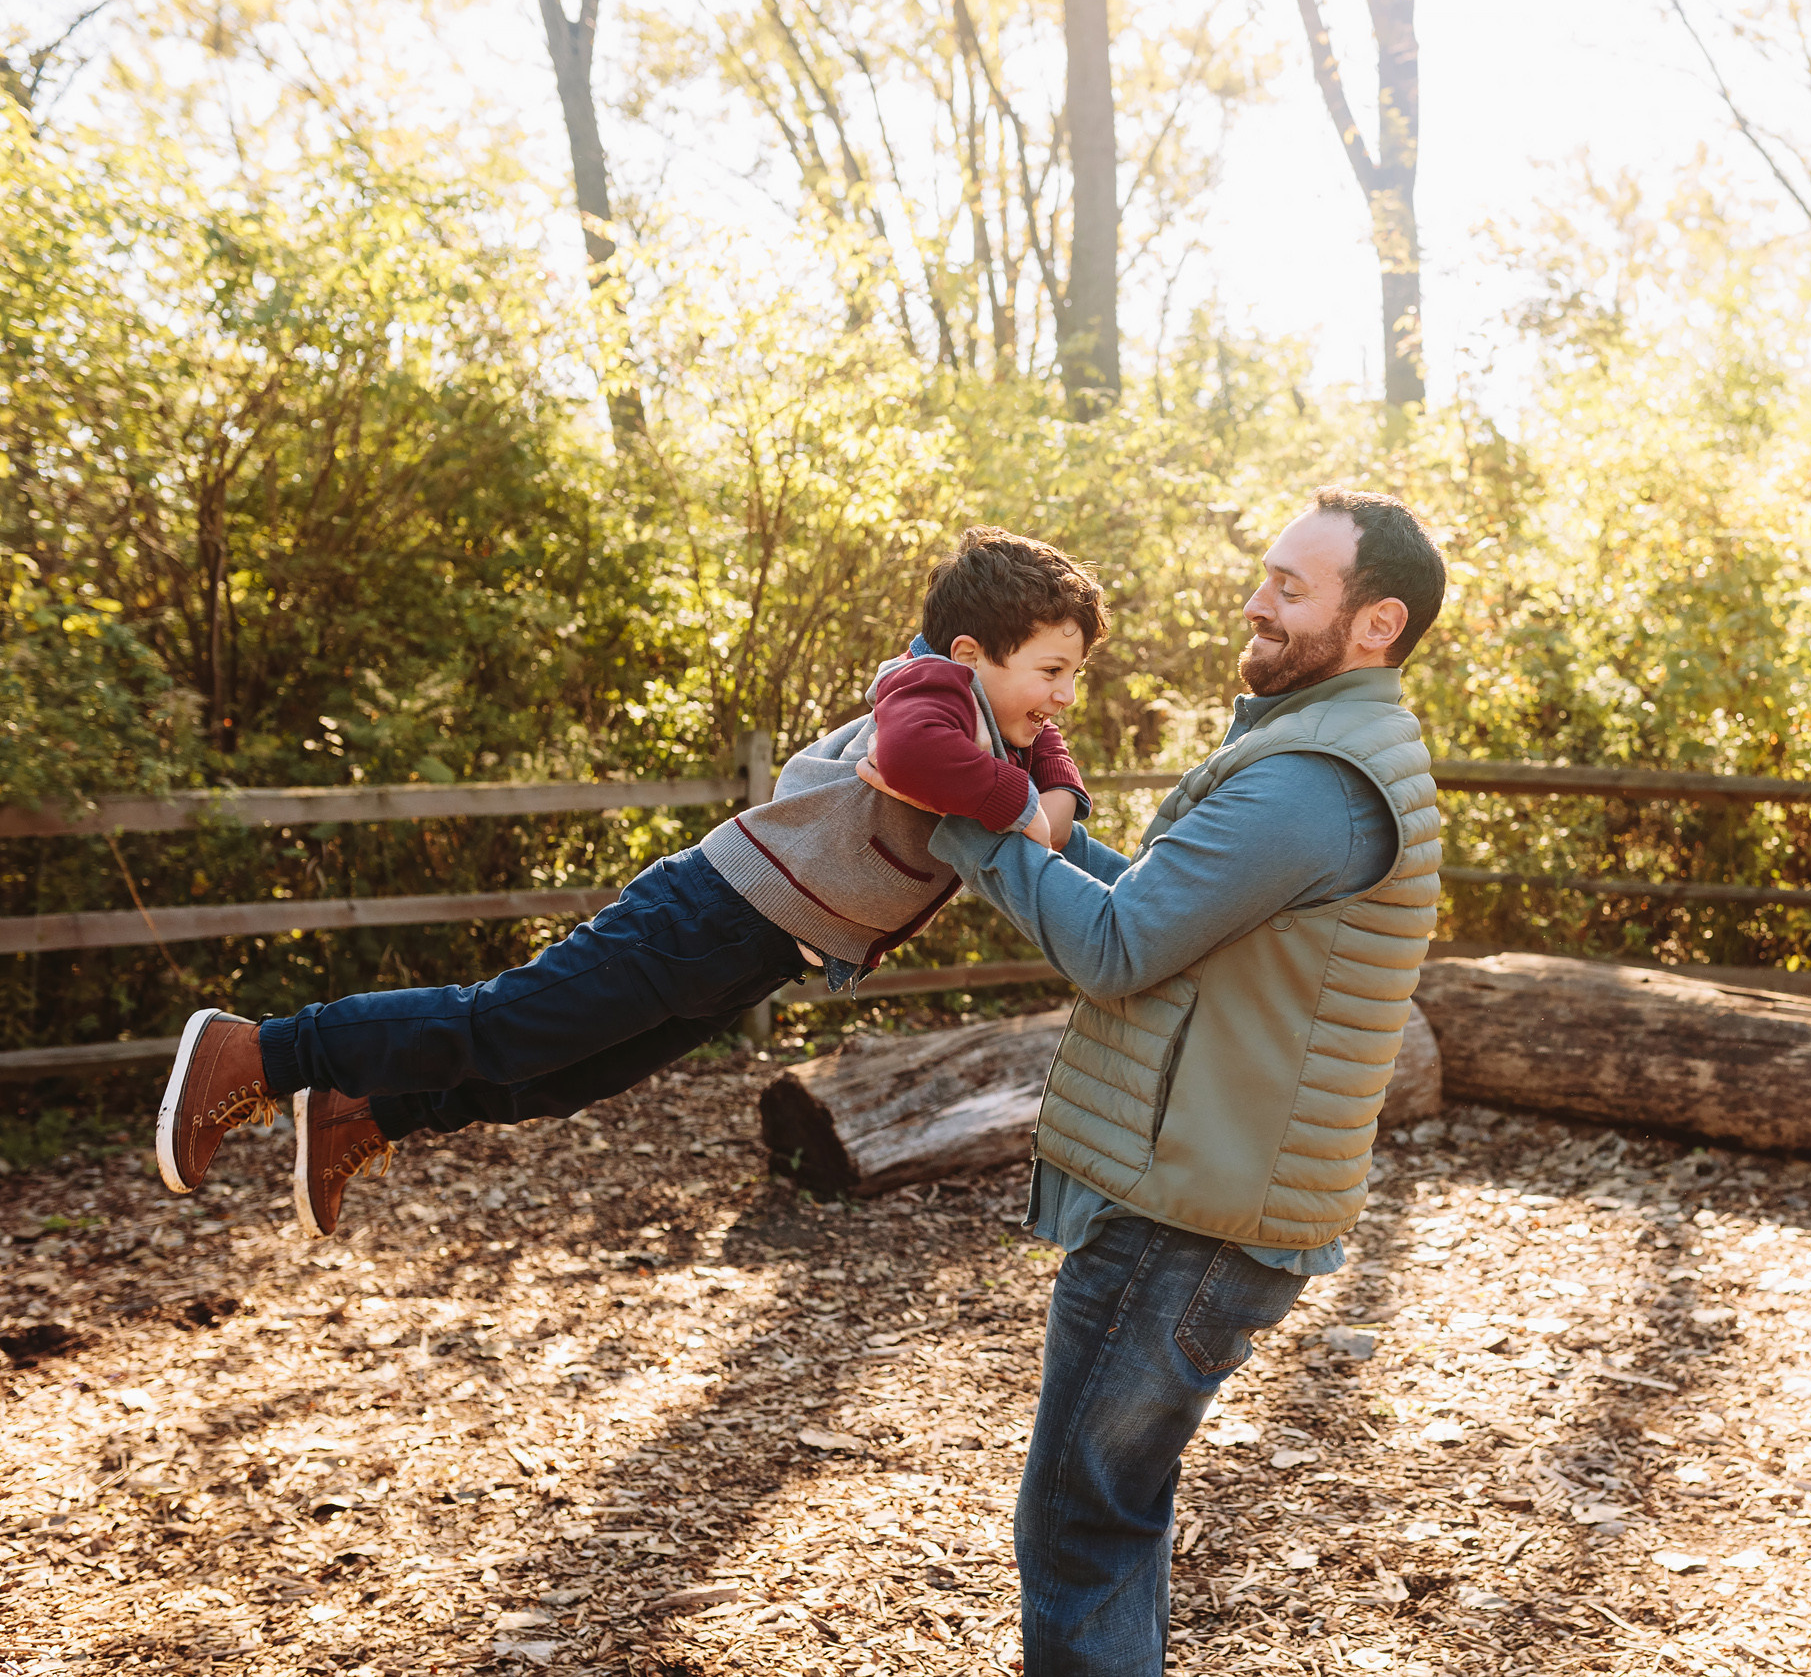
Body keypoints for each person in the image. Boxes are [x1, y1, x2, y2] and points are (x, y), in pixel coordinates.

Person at [864, 486, 1445, 1677]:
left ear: (1375, 624)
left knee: (1084, 1522)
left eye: (1292, 587)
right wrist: (1049, 834)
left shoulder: (1314, 781)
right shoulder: (1323, 751)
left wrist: (970, 816)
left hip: (1190, 1208)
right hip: (1208, 1189)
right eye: (1266, 576)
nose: (1257, 601)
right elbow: (1166, 914)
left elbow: (1118, 948)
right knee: (1110, 1512)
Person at [152, 527, 1105, 1237]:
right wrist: (1033, 811)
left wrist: (1051, 790)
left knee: (564, 1076)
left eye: (1074, 673)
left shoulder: (992, 712)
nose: (1063, 695)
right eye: (1052, 670)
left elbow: (1043, 767)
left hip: (759, 947)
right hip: (708, 912)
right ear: (973, 654)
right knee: (505, 1020)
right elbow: (914, 756)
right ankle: (260, 1054)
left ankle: (373, 1105)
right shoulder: (930, 690)